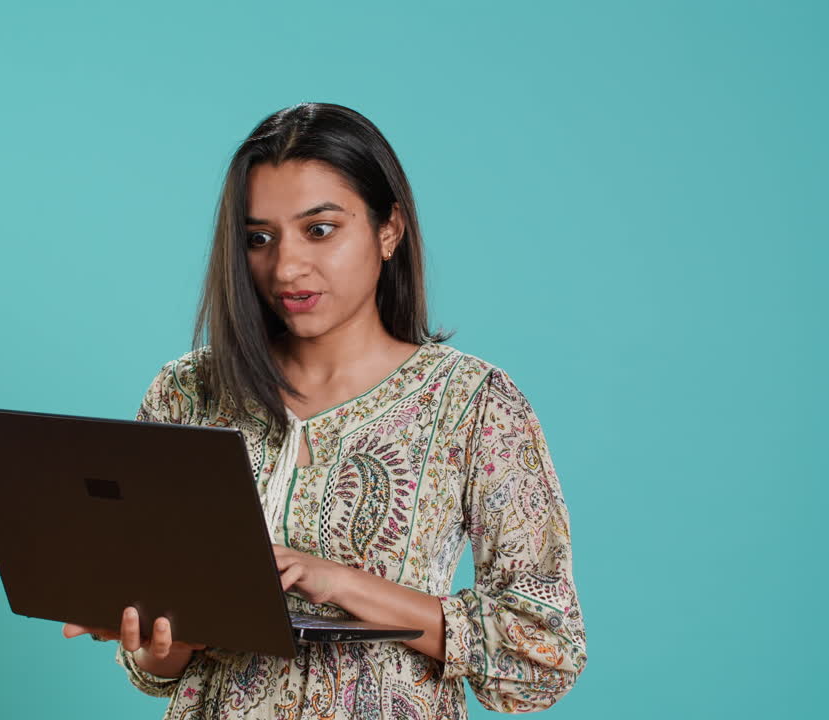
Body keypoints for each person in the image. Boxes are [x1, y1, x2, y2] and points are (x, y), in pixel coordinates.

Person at [61, 102, 588, 719]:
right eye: (260, 238)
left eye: (319, 229)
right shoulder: (187, 392)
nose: (286, 267)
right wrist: (160, 645)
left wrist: (340, 583)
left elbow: (544, 654)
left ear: (389, 229)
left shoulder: (473, 403)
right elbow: (158, 666)